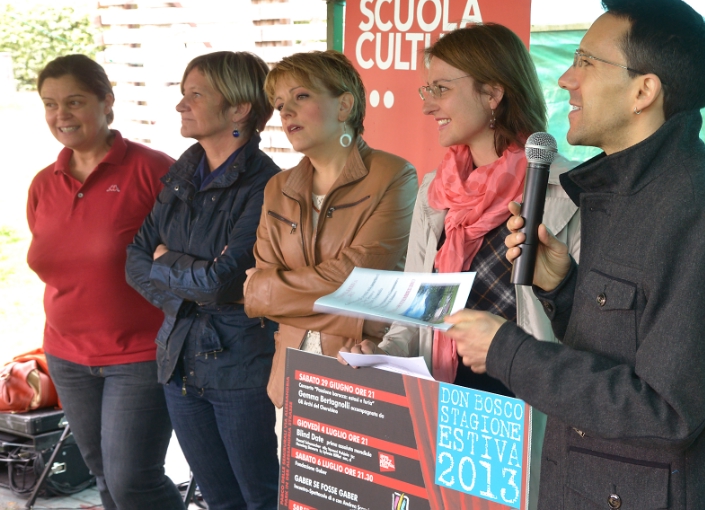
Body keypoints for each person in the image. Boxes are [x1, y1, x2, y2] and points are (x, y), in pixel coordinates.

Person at [447, 0, 705, 510]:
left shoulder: (700, 213)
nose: (565, 79)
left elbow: (666, 412)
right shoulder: (623, 192)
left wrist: (508, 351)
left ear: (643, 91)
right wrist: (564, 287)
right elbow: (631, 343)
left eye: (586, 62)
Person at [340, 22, 581, 508]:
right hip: (441, 400)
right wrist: (381, 353)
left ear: (493, 93)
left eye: (441, 89)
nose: (427, 106)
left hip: (522, 411)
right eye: (426, 90)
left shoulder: (567, 191)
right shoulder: (436, 191)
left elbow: (584, 328)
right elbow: (415, 314)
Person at [27, 54, 184, 510]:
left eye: (74, 101)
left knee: (133, 479)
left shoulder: (152, 170)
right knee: (103, 477)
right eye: (50, 104)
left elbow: (189, 257)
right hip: (66, 356)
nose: (61, 114)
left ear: (107, 101)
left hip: (138, 354)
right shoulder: (43, 184)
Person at [125, 51, 281, 510]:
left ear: (239, 109)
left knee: (261, 499)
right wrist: (188, 284)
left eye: (195, 95)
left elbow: (222, 282)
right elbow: (135, 260)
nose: (181, 105)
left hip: (239, 365)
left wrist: (169, 265)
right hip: (177, 361)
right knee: (218, 499)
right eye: (183, 93)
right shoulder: (181, 174)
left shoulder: (266, 185)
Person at [243, 49, 417, 413]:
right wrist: (343, 305)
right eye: (279, 104)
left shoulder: (395, 175)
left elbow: (360, 283)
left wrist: (273, 291)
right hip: (290, 381)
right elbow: (258, 299)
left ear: (344, 106)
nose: (285, 112)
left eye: (301, 96)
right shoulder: (277, 187)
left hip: (359, 371)